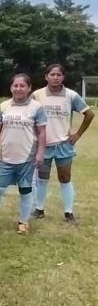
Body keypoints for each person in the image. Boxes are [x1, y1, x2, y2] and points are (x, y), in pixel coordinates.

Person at [31, 64, 94, 223]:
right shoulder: (37, 95)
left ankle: (68, 212)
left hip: (63, 145)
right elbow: (28, 114)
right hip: (43, 145)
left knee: (65, 177)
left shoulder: (71, 95)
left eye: (58, 74)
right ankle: (39, 209)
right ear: (46, 76)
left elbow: (89, 114)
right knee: (42, 178)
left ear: (63, 77)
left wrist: (78, 134)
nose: (55, 77)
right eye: (52, 74)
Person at [0, 74, 47, 233]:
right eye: (15, 86)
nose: (18, 89)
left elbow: (42, 132)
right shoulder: (4, 106)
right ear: (11, 87)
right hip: (7, 157)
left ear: (29, 88)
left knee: (25, 190)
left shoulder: (36, 107)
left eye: (22, 86)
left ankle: (23, 222)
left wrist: (40, 153)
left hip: (27, 157)